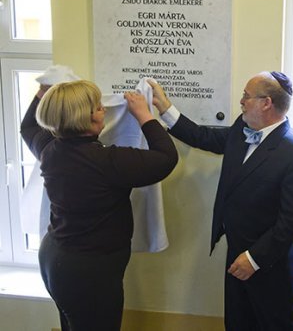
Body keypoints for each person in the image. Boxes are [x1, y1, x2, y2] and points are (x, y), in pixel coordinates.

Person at [150, 71, 293, 330]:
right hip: (236, 253)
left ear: (266, 103)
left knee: (280, 324)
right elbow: (203, 137)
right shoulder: (242, 129)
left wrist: (253, 258)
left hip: (270, 264)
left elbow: (292, 222)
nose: (241, 101)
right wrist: (165, 108)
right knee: (239, 322)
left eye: (246, 96)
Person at [20, 80, 178, 331]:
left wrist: (42, 90)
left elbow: (27, 127)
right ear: (86, 118)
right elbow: (166, 158)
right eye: (97, 107)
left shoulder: (49, 148)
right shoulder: (107, 161)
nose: (103, 109)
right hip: (89, 272)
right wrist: (144, 115)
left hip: (55, 258)